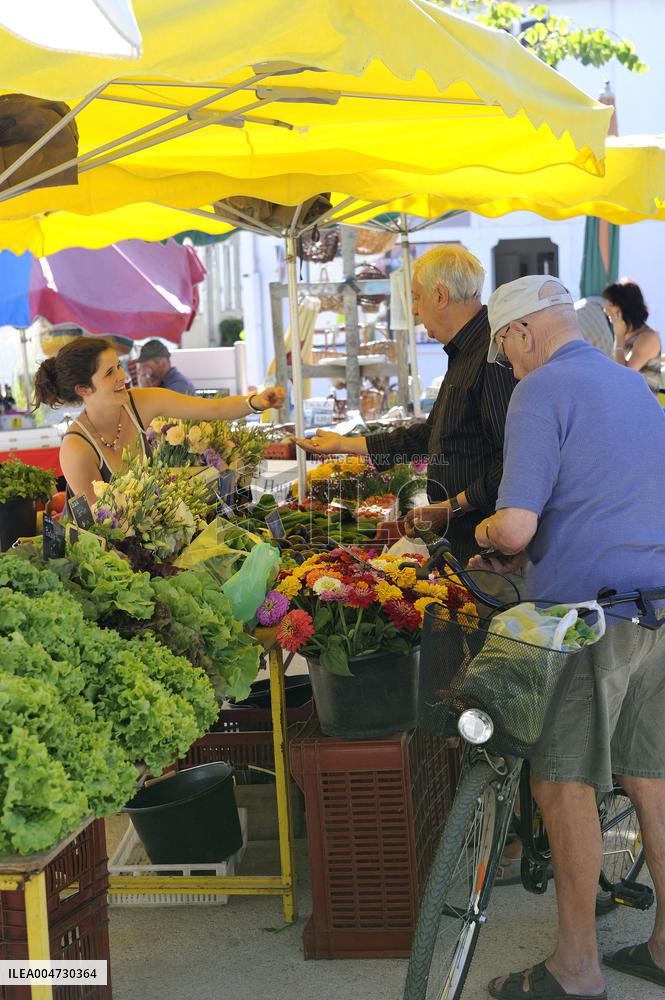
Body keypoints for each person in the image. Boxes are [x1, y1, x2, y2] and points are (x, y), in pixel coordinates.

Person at [469, 274, 665, 999]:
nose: (508, 368)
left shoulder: (541, 389)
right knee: (651, 775)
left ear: (520, 333)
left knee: (562, 781)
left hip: (589, 615)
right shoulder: (630, 385)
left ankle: (576, 969)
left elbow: (516, 526)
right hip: (657, 605)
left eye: (505, 354)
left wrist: (489, 532)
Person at [293, 245, 517, 565]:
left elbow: (511, 460)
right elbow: (429, 436)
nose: (413, 310)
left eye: (416, 297)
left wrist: (451, 507)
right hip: (461, 539)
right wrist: (343, 443)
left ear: (440, 296)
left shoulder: (491, 356)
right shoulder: (463, 354)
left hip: (487, 547)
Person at [34, 336, 284, 506]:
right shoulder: (77, 448)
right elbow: (99, 521)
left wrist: (255, 402)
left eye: (119, 366)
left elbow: (213, 408)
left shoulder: (139, 403)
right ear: (83, 389)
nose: (123, 376)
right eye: (110, 373)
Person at [602, 279, 662, 392]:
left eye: (611, 304)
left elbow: (623, 376)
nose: (606, 309)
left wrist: (619, 336)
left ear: (625, 306)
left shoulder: (649, 337)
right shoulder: (626, 335)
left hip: (642, 407)